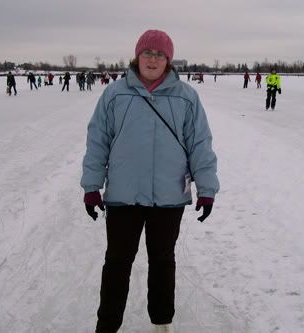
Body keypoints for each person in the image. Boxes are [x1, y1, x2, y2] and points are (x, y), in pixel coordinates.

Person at [81, 29, 219, 333]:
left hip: (168, 198)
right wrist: (92, 186)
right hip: (122, 196)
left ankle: (161, 323)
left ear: (168, 60)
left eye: (159, 54)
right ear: (137, 56)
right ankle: (107, 326)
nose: (153, 59)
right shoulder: (115, 94)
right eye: (147, 53)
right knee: (117, 263)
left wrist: (207, 190)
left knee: (162, 261)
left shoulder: (186, 97)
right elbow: (97, 142)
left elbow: (200, 145)